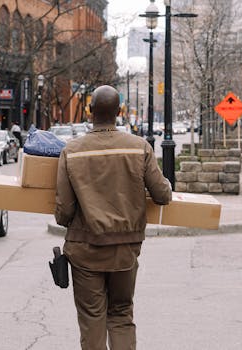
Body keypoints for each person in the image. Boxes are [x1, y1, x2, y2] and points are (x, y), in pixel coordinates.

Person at [55, 85, 172, 350]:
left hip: (85, 250)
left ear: (89, 111)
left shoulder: (72, 151)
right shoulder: (138, 147)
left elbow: (64, 211)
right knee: (120, 314)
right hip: (125, 251)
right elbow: (162, 195)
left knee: (92, 318)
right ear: (119, 112)